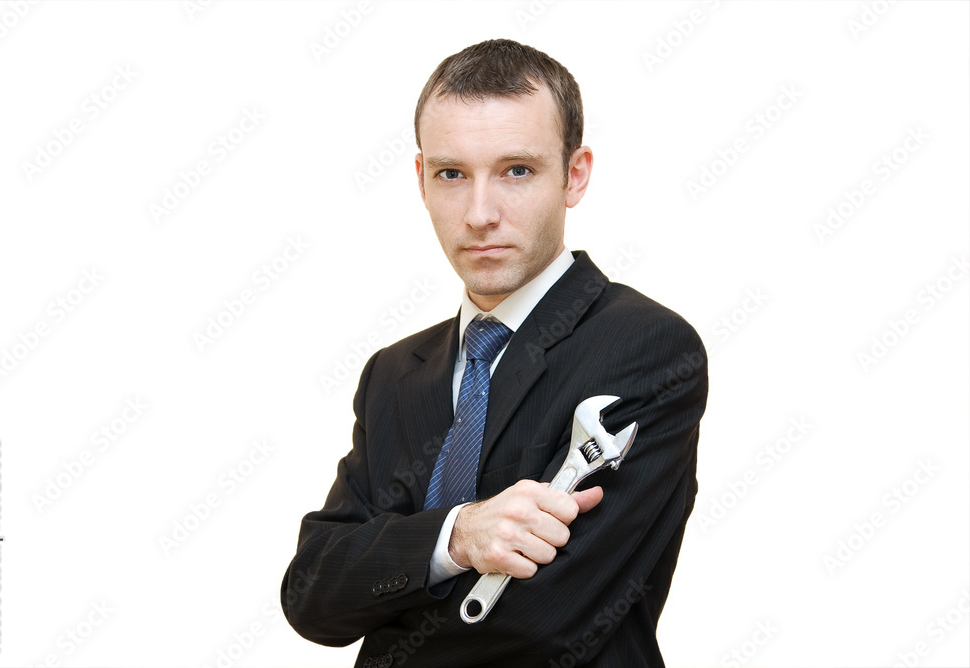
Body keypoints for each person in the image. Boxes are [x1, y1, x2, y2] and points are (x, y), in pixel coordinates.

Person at [281, 38, 708, 668]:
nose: (480, 214)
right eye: (452, 174)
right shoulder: (392, 375)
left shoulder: (646, 345)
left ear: (575, 175)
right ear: (421, 180)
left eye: (517, 170)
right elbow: (312, 595)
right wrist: (457, 538)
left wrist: (389, 581)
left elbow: (545, 623)